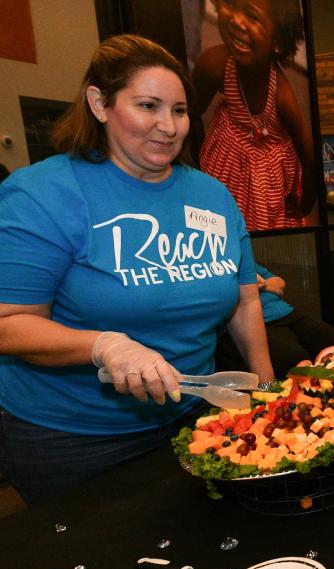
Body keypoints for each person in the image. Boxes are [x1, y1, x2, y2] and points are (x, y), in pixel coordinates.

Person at [0, 35, 273, 504]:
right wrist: (103, 345)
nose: (168, 126)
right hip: (74, 440)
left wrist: (268, 390)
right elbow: (8, 325)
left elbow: (245, 301)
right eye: (148, 106)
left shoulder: (213, 196)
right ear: (99, 104)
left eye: (180, 111)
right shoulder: (41, 194)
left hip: (196, 417)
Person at [193, 0, 315, 231]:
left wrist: (305, 205)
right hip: (226, 158)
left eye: (252, 16)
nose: (237, 21)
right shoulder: (215, 64)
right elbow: (191, 113)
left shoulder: (282, 95)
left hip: (266, 183)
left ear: (278, 41)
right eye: (231, 4)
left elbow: (309, 157)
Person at [216, 262, 334, 376]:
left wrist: (257, 284)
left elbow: (279, 284)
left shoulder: (242, 261)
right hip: (260, 322)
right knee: (296, 362)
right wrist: (251, 285)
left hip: (288, 313)